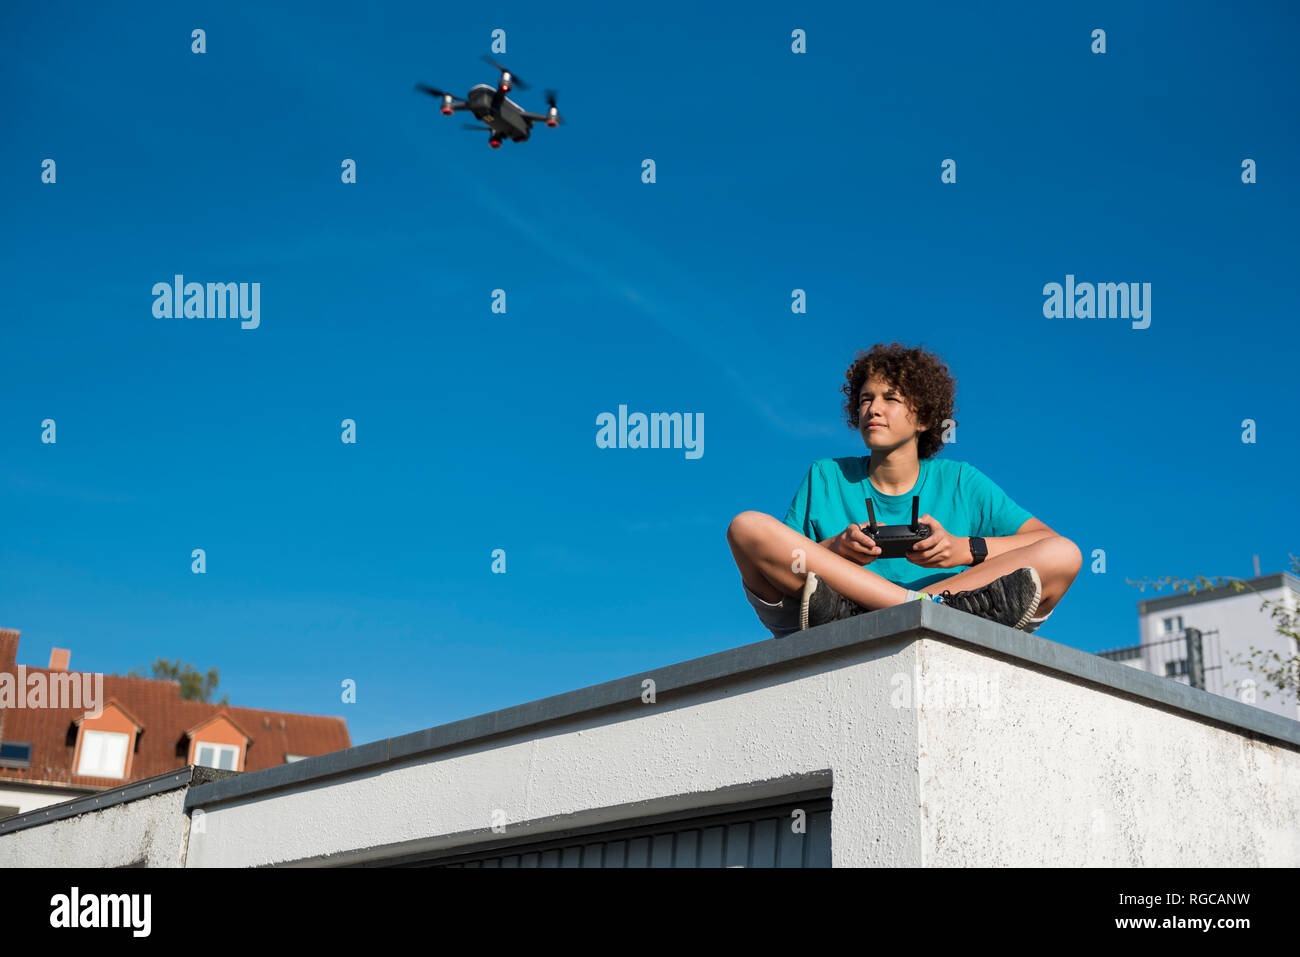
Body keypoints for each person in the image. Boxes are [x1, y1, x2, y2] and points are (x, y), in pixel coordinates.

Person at [726, 342, 1082, 638]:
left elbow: (1045, 540)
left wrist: (963, 549)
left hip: (946, 603)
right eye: (866, 399)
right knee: (746, 527)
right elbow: (780, 561)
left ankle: (919, 608)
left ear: (924, 418)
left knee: (1064, 554)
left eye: (890, 399)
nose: (873, 409)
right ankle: (910, 610)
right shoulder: (824, 475)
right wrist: (837, 549)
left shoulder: (962, 481)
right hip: (830, 611)